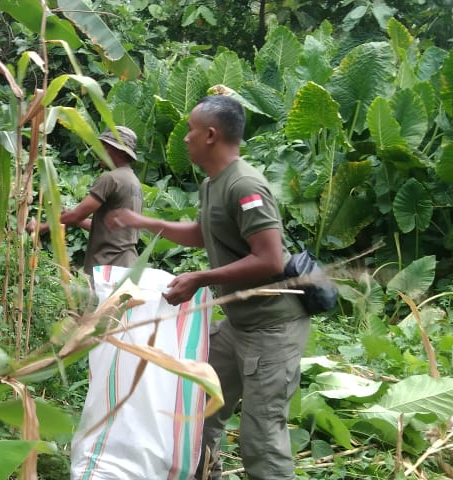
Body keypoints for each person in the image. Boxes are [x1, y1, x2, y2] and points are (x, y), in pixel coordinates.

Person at [106, 95, 310, 479]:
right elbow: (204, 233)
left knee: (261, 435)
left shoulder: (246, 185)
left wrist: (201, 278)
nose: (186, 138)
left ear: (211, 135)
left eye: (191, 130)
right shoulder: (213, 184)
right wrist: (143, 221)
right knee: (198, 408)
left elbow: (270, 259)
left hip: (271, 329)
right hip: (238, 326)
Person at [29, 126, 143, 277]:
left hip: (108, 267)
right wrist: (73, 218)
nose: (99, 152)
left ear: (117, 151)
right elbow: (111, 229)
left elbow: (76, 216)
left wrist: (40, 227)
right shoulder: (133, 182)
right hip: (127, 266)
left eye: (104, 147)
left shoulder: (111, 179)